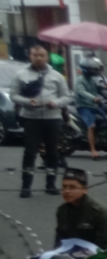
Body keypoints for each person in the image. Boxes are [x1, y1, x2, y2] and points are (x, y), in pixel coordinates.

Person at [11, 44, 72, 198]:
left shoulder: (57, 76)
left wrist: (56, 103)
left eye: (42, 55)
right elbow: (14, 95)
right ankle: (26, 186)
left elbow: (67, 96)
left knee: (53, 153)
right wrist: (26, 102)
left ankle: (50, 184)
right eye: (35, 55)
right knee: (30, 153)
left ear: (47, 57)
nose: (39, 58)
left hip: (53, 119)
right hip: (31, 119)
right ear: (30, 56)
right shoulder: (21, 75)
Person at [55, 168, 107, 259]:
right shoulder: (62, 211)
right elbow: (60, 242)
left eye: (72, 187)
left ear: (85, 190)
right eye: (64, 187)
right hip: (72, 258)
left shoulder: (101, 213)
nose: (67, 191)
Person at [74, 57, 107, 160]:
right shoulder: (80, 80)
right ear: (87, 70)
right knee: (91, 126)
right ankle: (93, 150)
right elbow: (82, 92)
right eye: (93, 69)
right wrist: (94, 98)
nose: (96, 71)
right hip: (84, 107)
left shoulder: (92, 80)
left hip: (94, 105)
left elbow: (98, 90)